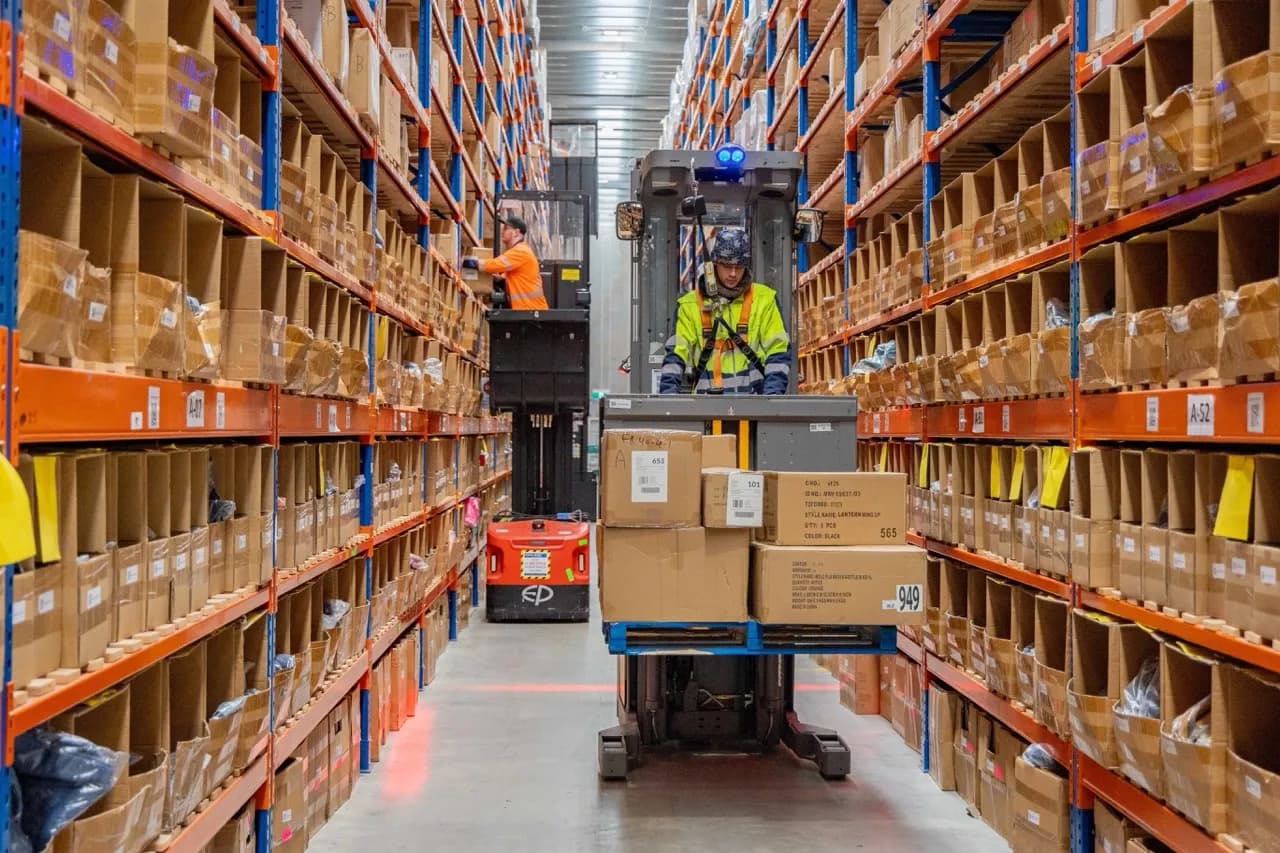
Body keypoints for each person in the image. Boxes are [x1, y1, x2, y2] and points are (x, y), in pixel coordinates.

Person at [659, 226, 791, 395]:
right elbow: (676, 354)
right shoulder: (690, 305)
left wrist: (772, 399)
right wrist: (669, 399)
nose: (733, 273)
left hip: (755, 406)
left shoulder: (764, 299)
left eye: (739, 266)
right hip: (705, 409)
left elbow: (778, 351)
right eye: (727, 266)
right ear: (714, 264)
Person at [461, 214, 548, 310]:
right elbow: (508, 278)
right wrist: (499, 279)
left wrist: (471, 262)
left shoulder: (521, 251)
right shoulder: (518, 252)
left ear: (516, 232)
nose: (503, 232)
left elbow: (496, 264)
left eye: (506, 228)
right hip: (527, 310)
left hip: (530, 311)